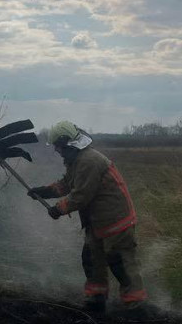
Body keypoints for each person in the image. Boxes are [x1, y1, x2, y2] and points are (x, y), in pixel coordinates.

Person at [28, 120, 147, 313]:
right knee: (91, 260)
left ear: (66, 142)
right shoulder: (77, 160)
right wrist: (44, 192)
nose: (57, 151)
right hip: (98, 223)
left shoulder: (89, 160)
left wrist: (58, 209)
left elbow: (81, 196)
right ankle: (96, 300)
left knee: (120, 262)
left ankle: (136, 306)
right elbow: (68, 183)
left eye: (58, 146)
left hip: (116, 221)